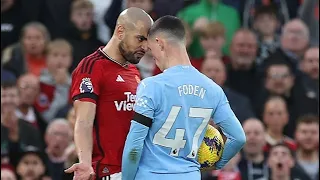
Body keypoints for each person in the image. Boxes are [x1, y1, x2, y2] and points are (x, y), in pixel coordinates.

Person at [122, 15, 246, 180]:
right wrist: (218, 164)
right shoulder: (212, 89)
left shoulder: (151, 86)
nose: (153, 58)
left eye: (151, 50)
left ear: (160, 43)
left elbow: (134, 149)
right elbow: (238, 137)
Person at [64, 7, 153, 180]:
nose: (145, 47)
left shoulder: (134, 71)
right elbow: (83, 120)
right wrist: (84, 161)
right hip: (108, 171)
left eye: (147, 41)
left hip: (137, 170)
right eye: (140, 39)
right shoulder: (91, 66)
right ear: (120, 31)